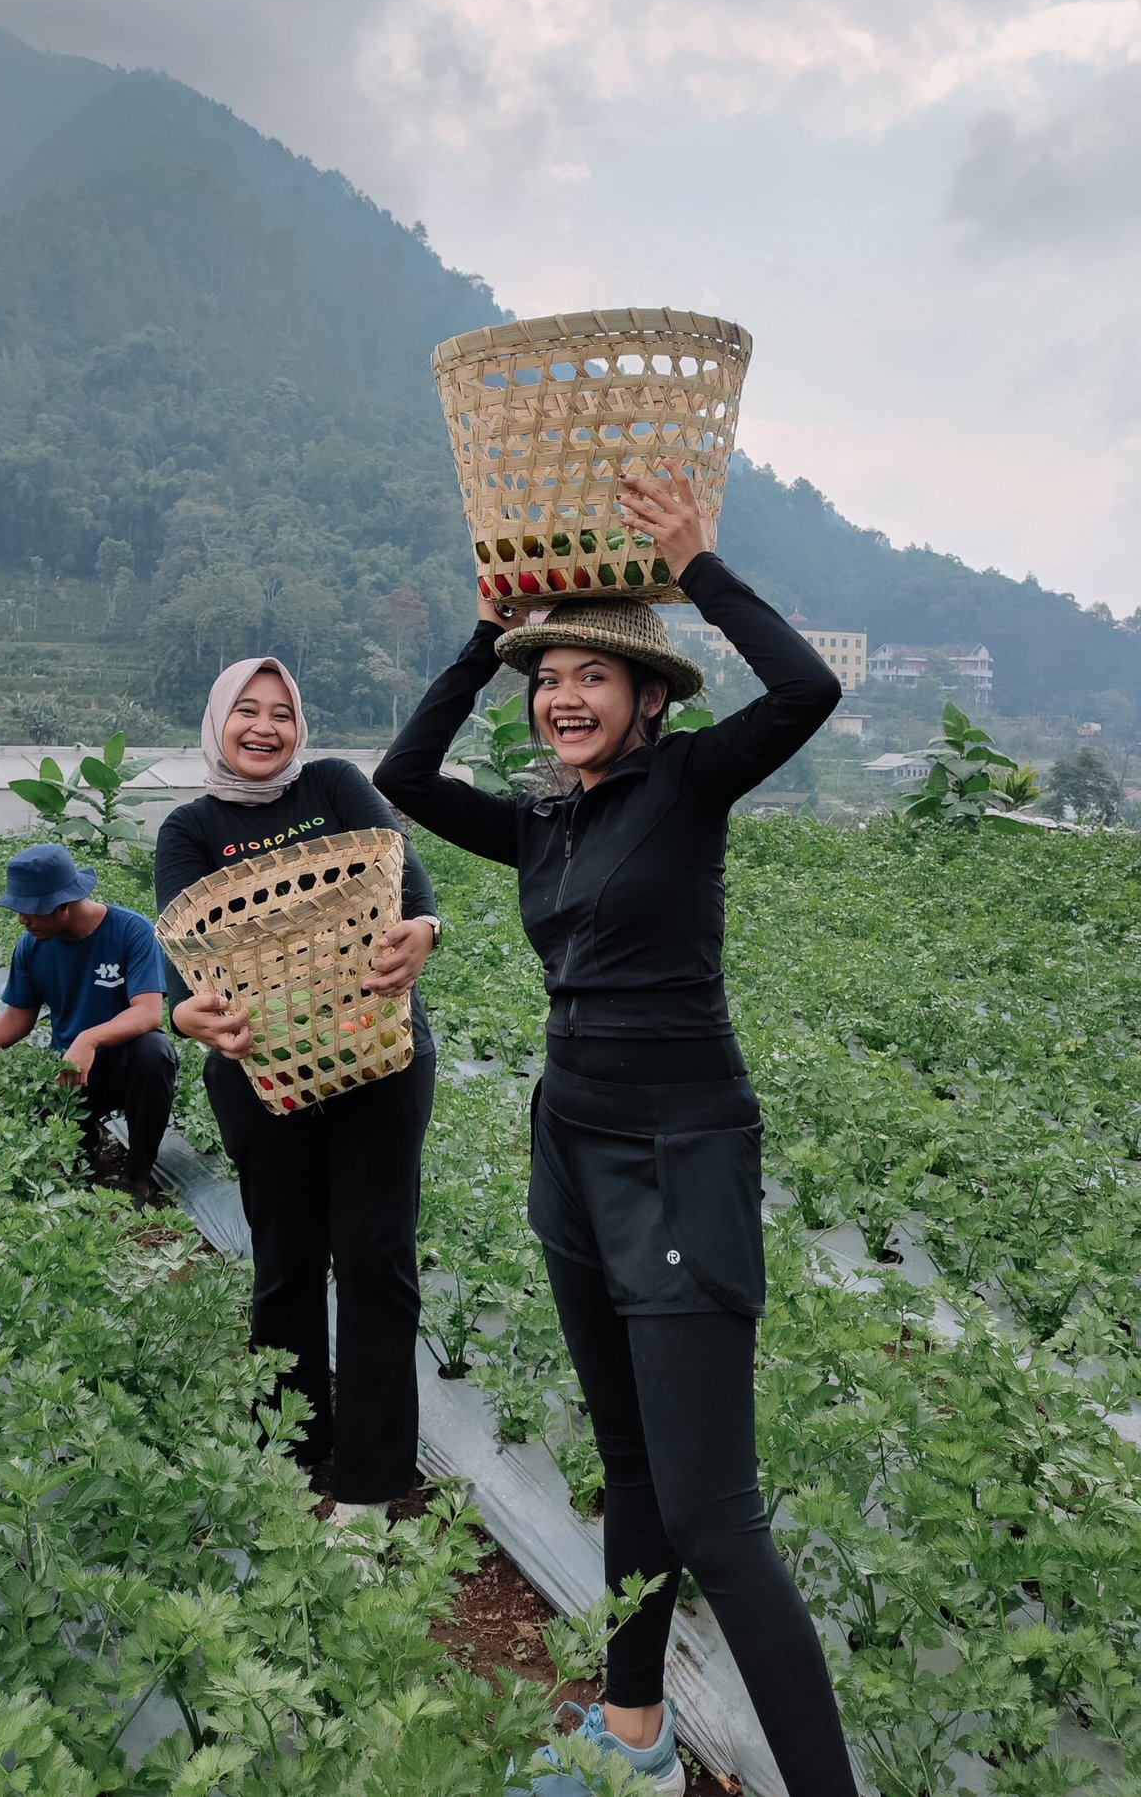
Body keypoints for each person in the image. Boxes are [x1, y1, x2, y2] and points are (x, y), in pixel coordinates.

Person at [375, 463, 855, 1797]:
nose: (562, 696)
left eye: (592, 675)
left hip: (680, 1151)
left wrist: (699, 565)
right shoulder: (541, 819)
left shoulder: (692, 780)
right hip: (570, 1150)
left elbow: (809, 692)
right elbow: (404, 769)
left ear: (649, 697)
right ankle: (636, 1736)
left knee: (715, 1513)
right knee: (630, 1460)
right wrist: (488, 632)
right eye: (549, 678)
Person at [155, 657, 440, 1527]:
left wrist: (425, 928)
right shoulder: (190, 827)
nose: (264, 727)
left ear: (301, 725)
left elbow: (399, 873)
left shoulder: (335, 785)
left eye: (282, 712)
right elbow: (184, 961)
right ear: (217, 720)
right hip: (259, 1069)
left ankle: (367, 1482)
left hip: (376, 1053)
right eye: (246, 709)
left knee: (374, 1258)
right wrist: (187, 1018)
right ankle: (289, 1447)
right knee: (283, 1261)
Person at [0, 842, 177, 1202]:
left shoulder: (132, 931)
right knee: (57, 1150)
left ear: (63, 904)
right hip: (69, 1072)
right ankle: (86, 1143)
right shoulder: (31, 947)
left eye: (30, 910)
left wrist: (89, 1039)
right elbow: (16, 1020)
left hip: (126, 1066)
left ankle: (138, 1176)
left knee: (153, 1051)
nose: (22, 919)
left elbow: (148, 1012)